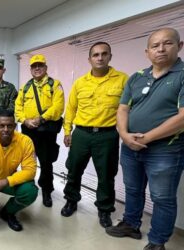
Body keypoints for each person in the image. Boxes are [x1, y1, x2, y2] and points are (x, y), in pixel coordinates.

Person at [105, 28, 184, 250]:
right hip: (130, 146)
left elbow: (183, 117)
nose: (160, 49)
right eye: (155, 45)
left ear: (179, 46)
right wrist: (124, 134)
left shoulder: (182, 75)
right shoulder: (137, 77)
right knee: (132, 189)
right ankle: (131, 224)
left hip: (165, 149)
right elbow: (122, 109)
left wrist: (146, 137)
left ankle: (157, 241)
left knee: (162, 197)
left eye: (167, 43)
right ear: (147, 51)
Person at [61, 42, 128, 228]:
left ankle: (105, 210)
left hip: (107, 135)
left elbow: (129, 108)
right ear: (89, 59)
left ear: (110, 57)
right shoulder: (80, 83)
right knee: (74, 170)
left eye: (104, 54)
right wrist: (67, 131)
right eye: (96, 55)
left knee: (106, 175)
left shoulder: (123, 80)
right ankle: (71, 201)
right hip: (81, 134)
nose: (100, 58)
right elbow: (71, 108)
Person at [15, 54, 64, 207]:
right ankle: (27, 186)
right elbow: (18, 108)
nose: (37, 68)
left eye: (40, 65)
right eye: (34, 66)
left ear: (45, 68)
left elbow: (58, 107)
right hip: (29, 130)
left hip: (46, 130)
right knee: (28, 160)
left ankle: (46, 190)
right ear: (30, 69)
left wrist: (40, 118)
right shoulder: (26, 87)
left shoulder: (54, 85)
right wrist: (25, 120)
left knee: (46, 162)